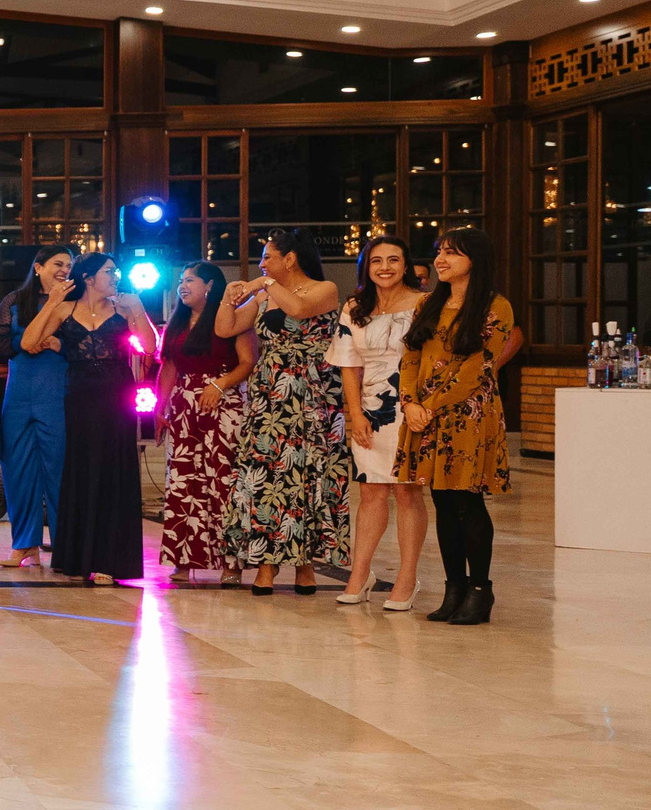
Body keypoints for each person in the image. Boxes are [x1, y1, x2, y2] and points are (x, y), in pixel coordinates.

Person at [216, 228, 349, 594]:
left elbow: (300, 309)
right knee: (267, 477)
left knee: (306, 475)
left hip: (310, 394)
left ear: (289, 258)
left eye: (267, 257)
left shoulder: (325, 290)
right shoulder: (265, 296)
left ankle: (305, 565)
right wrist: (229, 297)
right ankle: (266, 564)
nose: (262, 265)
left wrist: (262, 283)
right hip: (269, 397)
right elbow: (225, 328)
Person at [396, 227, 514, 625]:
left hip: (468, 415)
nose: (440, 260)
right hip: (424, 415)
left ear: (475, 260)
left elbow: (476, 368)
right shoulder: (429, 303)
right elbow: (410, 355)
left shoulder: (496, 307)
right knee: (443, 503)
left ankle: (480, 591)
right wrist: (409, 402)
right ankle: (454, 588)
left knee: (467, 501)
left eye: (452, 253)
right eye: (440, 252)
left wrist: (429, 404)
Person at [24, 252, 154, 585]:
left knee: (114, 470)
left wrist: (138, 309)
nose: (116, 276)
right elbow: (29, 341)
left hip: (117, 397)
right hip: (79, 397)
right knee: (82, 468)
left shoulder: (124, 308)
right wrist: (52, 302)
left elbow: (150, 347)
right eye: (110, 271)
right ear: (89, 277)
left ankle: (111, 560)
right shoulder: (66, 309)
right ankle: (79, 558)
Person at [326, 235, 426, 609]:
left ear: (406, 265)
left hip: (412, 408)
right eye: (377, 260)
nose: (385, 267)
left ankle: (407, 577)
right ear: (366, 267)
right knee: (370, 493)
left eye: (393, 260)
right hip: (370, 409)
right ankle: (360, 572)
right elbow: (348, 362)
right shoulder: (355, 307)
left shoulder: (424, 304)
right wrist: (355, 414)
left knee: (407, 491)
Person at [155, 263, 253, 584]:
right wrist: (160, 406)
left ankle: (231, 563)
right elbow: (169, 365)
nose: (182, 286)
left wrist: (219, 385)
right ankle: (183, 560)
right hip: (185, 407)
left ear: (210, 285)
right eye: (181, 281)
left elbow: (247, 362)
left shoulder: (231, 316)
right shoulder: (179, 321)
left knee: (222, 481)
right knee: (183, 481)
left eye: (190, 281)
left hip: (223, 405)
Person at [0, 244, 74, 568]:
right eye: (58, 263)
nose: (64, 270)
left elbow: (85, 345)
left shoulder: (74, 303)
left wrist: (58, 343)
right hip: (17, 393)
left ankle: (64, 544)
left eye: (69, 266)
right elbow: (1, 344)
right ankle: (24, 544)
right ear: (39, 267)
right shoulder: (13, 300)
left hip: (55, 390)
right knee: (17, 470)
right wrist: (24, 344)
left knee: (58, 470)